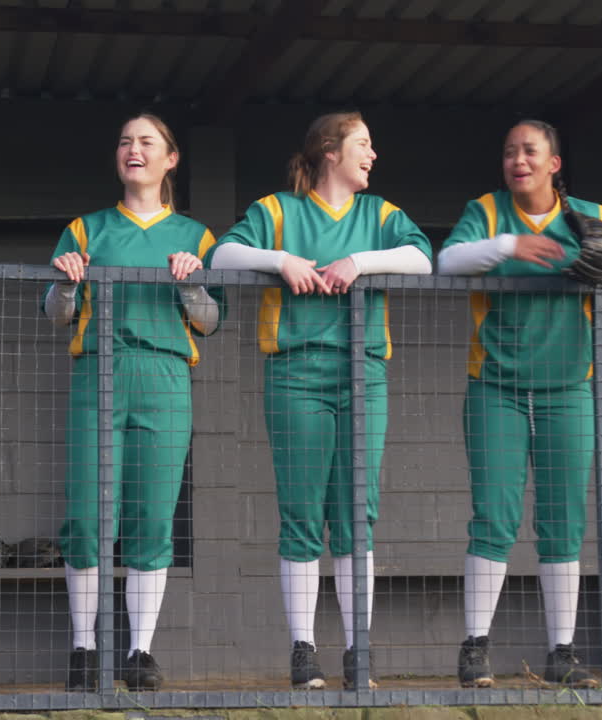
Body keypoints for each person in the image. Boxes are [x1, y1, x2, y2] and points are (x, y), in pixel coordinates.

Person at [208, 111, 433, 690]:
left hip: (363, 373)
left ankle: (360, 652)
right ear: (329, 151)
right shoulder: (276, 211)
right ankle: (303, 650)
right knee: (302, 514)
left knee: (358, 513)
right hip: (296, 373)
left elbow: (422, 257)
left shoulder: (380, 214)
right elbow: (224, 256)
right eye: (363, 143)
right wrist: (279, 260)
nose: (373, 154)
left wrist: (360, 261)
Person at [437, 119, 602, 689]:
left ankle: (561, 652)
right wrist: (510, 246)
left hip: (567, 388)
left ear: (554, 163)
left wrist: (594, 264)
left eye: (530, 151)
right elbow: (449, 260)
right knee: (493, 516)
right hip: (496, 387)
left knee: (564, 520)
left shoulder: (594, 218)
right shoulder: (486, 212)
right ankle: (475, 648)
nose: (518, 160)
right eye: (509, 151)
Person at [42, 113, 223, 692]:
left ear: (171, 159)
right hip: (99, 369)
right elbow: (55, 313)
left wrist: (191, 284)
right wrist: (67, 282)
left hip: (166, 374)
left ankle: (140, 652)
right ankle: (84, 648)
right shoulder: (86, 227)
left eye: (146, 142)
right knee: (88, 513)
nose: (132, 149)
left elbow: (212, 320)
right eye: (124, 141)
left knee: (152, 514)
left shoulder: (195, 236)